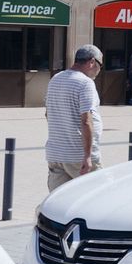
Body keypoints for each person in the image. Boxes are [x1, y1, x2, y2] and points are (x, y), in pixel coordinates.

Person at [45, 44, 105, 191]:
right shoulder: (85, 83)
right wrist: (87, 155)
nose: (99, 70)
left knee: (60, 198)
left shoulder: (56, 79)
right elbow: (86, 121)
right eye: (100, 65)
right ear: (92, 62)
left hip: (56, 154)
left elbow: (48, 114)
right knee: (95, 196)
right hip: (78, 156)